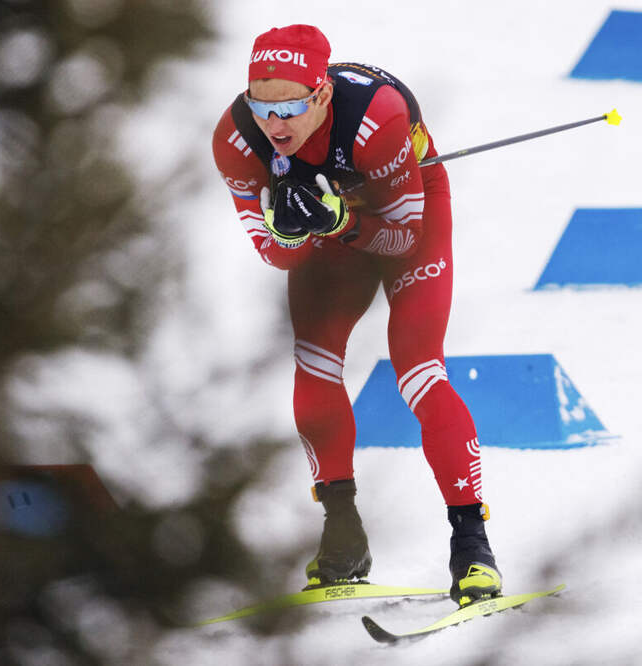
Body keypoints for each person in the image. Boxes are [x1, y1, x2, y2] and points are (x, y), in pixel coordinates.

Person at [212, 24, 500, 607]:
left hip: (403, 212)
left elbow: (404, 237)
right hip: (331, 232)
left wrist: (344, 221)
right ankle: (342, 532)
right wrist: (289, 229)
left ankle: (472, 543)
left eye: (290, 108)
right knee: (313, 363)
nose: (275, 125)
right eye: (262, 107)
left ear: (322, 93)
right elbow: (275, 255)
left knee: (417, 369)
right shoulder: (236, 139)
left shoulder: (377, 118)